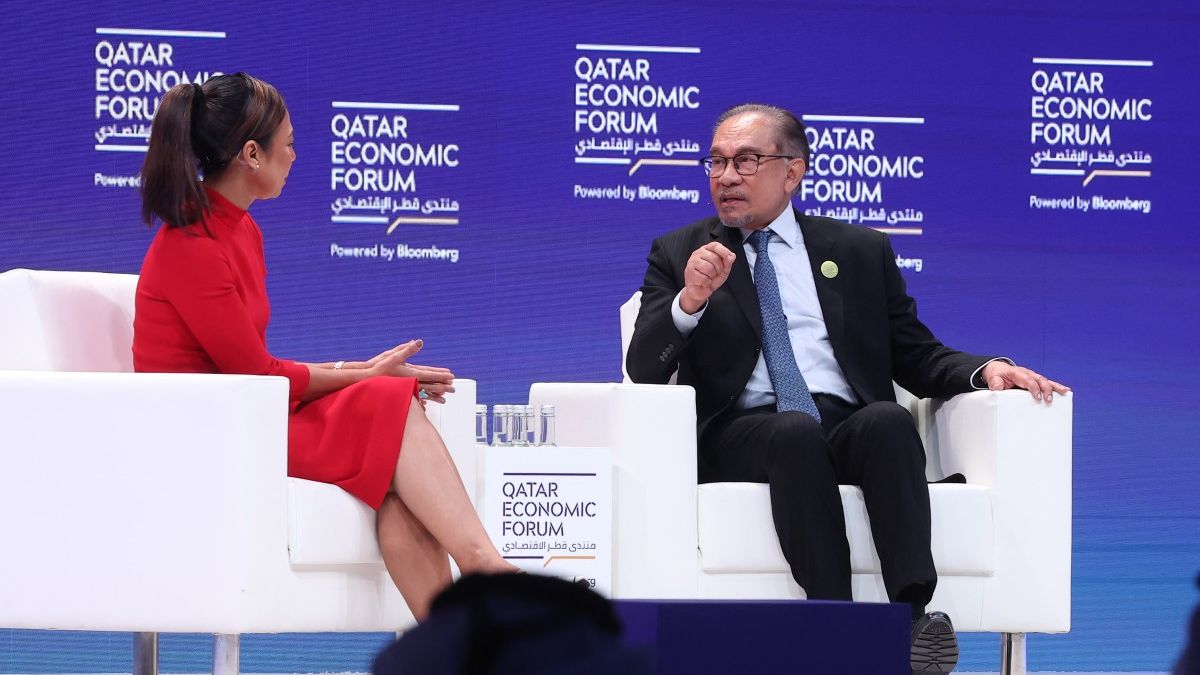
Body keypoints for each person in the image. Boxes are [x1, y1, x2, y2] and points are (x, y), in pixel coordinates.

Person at [626, 103, 1069, 674]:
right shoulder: (681, 251)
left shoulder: (859, 250)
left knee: (887, 419)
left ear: (793, 171)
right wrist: (689, 302)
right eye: (715, 162)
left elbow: (913, 351)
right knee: (792, 433)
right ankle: (833, 621)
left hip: (839, 421)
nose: (726, 176)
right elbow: (643, 367)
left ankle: (912, 619)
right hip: (743, 432)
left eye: (745, 160)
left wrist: (984, 370)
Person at [133, 73, 514, 621]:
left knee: (396, 486)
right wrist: (369, 376)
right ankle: (486, 566)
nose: (294, 155)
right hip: (212, 434)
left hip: (251, 413)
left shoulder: (242, 231)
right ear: (250, 155)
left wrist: (366, 371)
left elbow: (255, 373)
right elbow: (255, 376)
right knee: (386, 403)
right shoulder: (191, 245)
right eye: (286, 144)